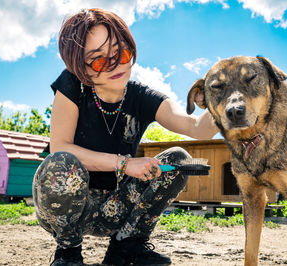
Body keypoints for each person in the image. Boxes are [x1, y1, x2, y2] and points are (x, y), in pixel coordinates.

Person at [32, 8, 218, 266]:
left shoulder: (142, 97)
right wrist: (124, 163)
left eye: (121, 53)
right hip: (71, 210)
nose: (115, 64)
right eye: (98, 60)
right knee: (60, 162)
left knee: (177, 159)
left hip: (117, 208)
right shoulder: (71, 86)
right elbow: (59, 147)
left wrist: (222, 98)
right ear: (80, 67)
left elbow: (198, 128)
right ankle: (68, 253)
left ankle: (126, 248)